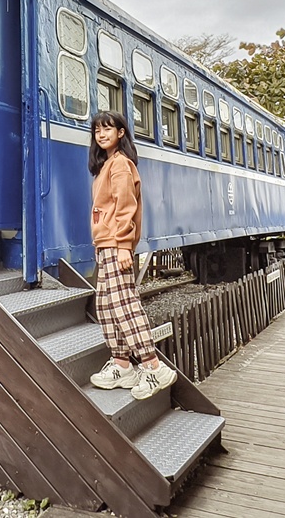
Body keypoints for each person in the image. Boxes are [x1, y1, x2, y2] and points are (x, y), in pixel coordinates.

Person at [86, 111, 177, 400]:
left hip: (116, 244)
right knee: (106, 307)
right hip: (105, 244)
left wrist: (124, 245)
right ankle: (123, 364)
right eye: (97, 130)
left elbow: (125, 206)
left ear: (121, 133)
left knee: (124, 306)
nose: (101, 134)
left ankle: (153, 367)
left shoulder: (121, 165)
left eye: (107, 129)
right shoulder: (107, 166)